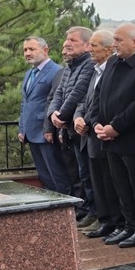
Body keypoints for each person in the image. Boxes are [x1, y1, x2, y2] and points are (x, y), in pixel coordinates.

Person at [89, 24, 135, 248]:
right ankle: (128, 226)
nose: (114, 44)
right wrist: (98, 123)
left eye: (119, 40)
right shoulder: (112, 63)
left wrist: (115, 127)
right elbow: (100, 96)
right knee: (121, 187)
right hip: (108, 137)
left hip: (130, 137)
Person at [75, 30, 123, 239]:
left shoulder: (112, 69)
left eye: (94, 46)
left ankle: (116, 222)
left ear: (108, 48)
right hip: (91, 135)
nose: (89, 50)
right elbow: (86, 101)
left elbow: (108, 104)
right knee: (98, 183)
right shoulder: (96, 70)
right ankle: (105, 220)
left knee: (111, 184)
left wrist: (94, 123)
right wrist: (80, 118)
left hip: (105, 135)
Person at [47, 27, 94, 220]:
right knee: (77, 174)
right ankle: (84, 210)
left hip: (79, 127)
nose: (67, 43)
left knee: (86, 175)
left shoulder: (89, 64)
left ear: (87, 44)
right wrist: (53, 115)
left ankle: (92, 212)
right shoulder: (70, 67)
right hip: (67, 127)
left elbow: (78, 93)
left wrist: (62, 116)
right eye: (67, 39)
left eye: (73, 40)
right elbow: (59, 93)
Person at [19, 36, 71, 195]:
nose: (27, 53)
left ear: (45, 50)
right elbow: (25, 103)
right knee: (44, 175)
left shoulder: (56, 71)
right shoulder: (29, 74)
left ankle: (65, 208)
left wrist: (48, 129)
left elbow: (55, 101)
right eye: (25, 50)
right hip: (30, 133)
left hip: (46, 133)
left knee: (57, 174)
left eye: (32, 49)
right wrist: (22, 128)